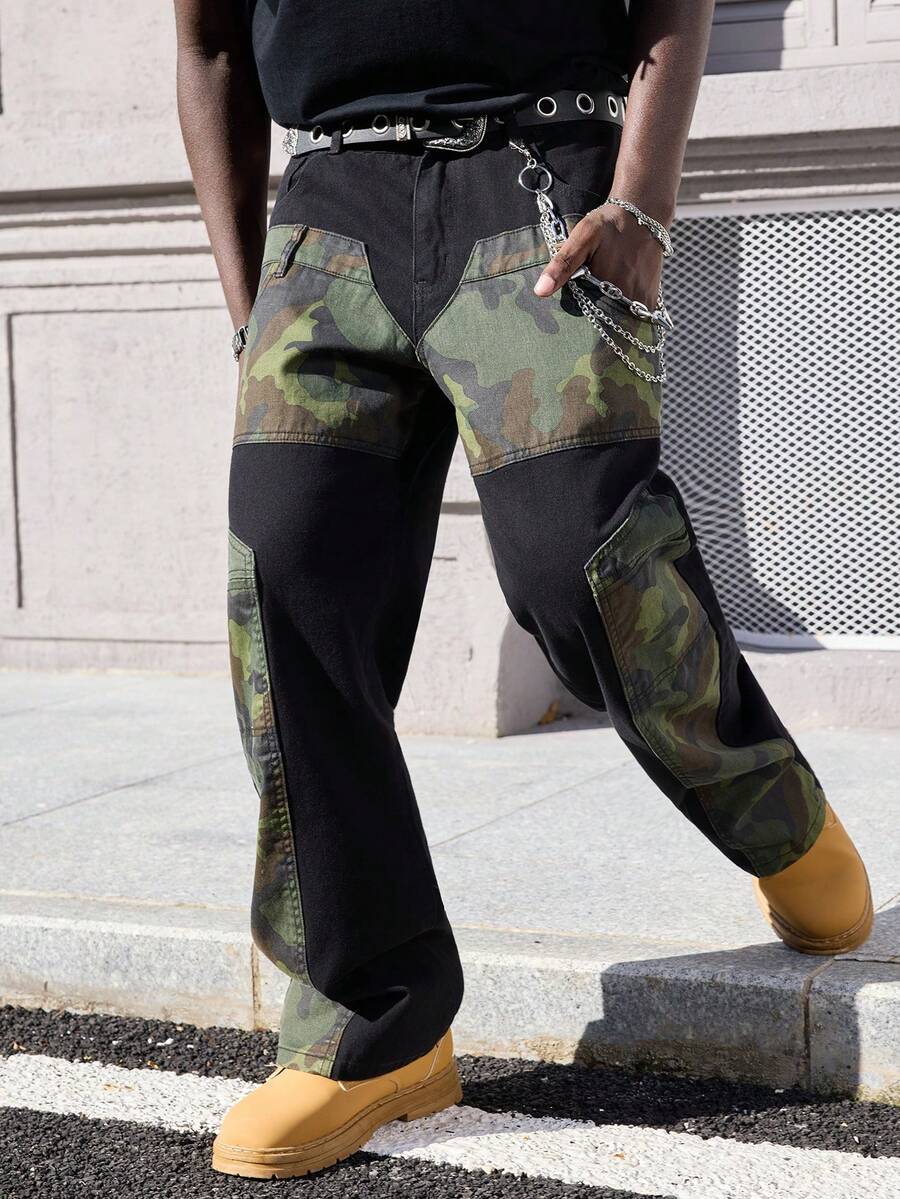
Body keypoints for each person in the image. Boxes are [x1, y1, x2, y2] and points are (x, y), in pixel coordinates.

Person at [174, 0, 873, 1180]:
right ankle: (376, 1019)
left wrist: (642, 203)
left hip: (538, 176)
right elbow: (206, 46)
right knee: (287, 578)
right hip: (326, 212)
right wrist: (249, 308)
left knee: (582, 567)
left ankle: (777, 817)